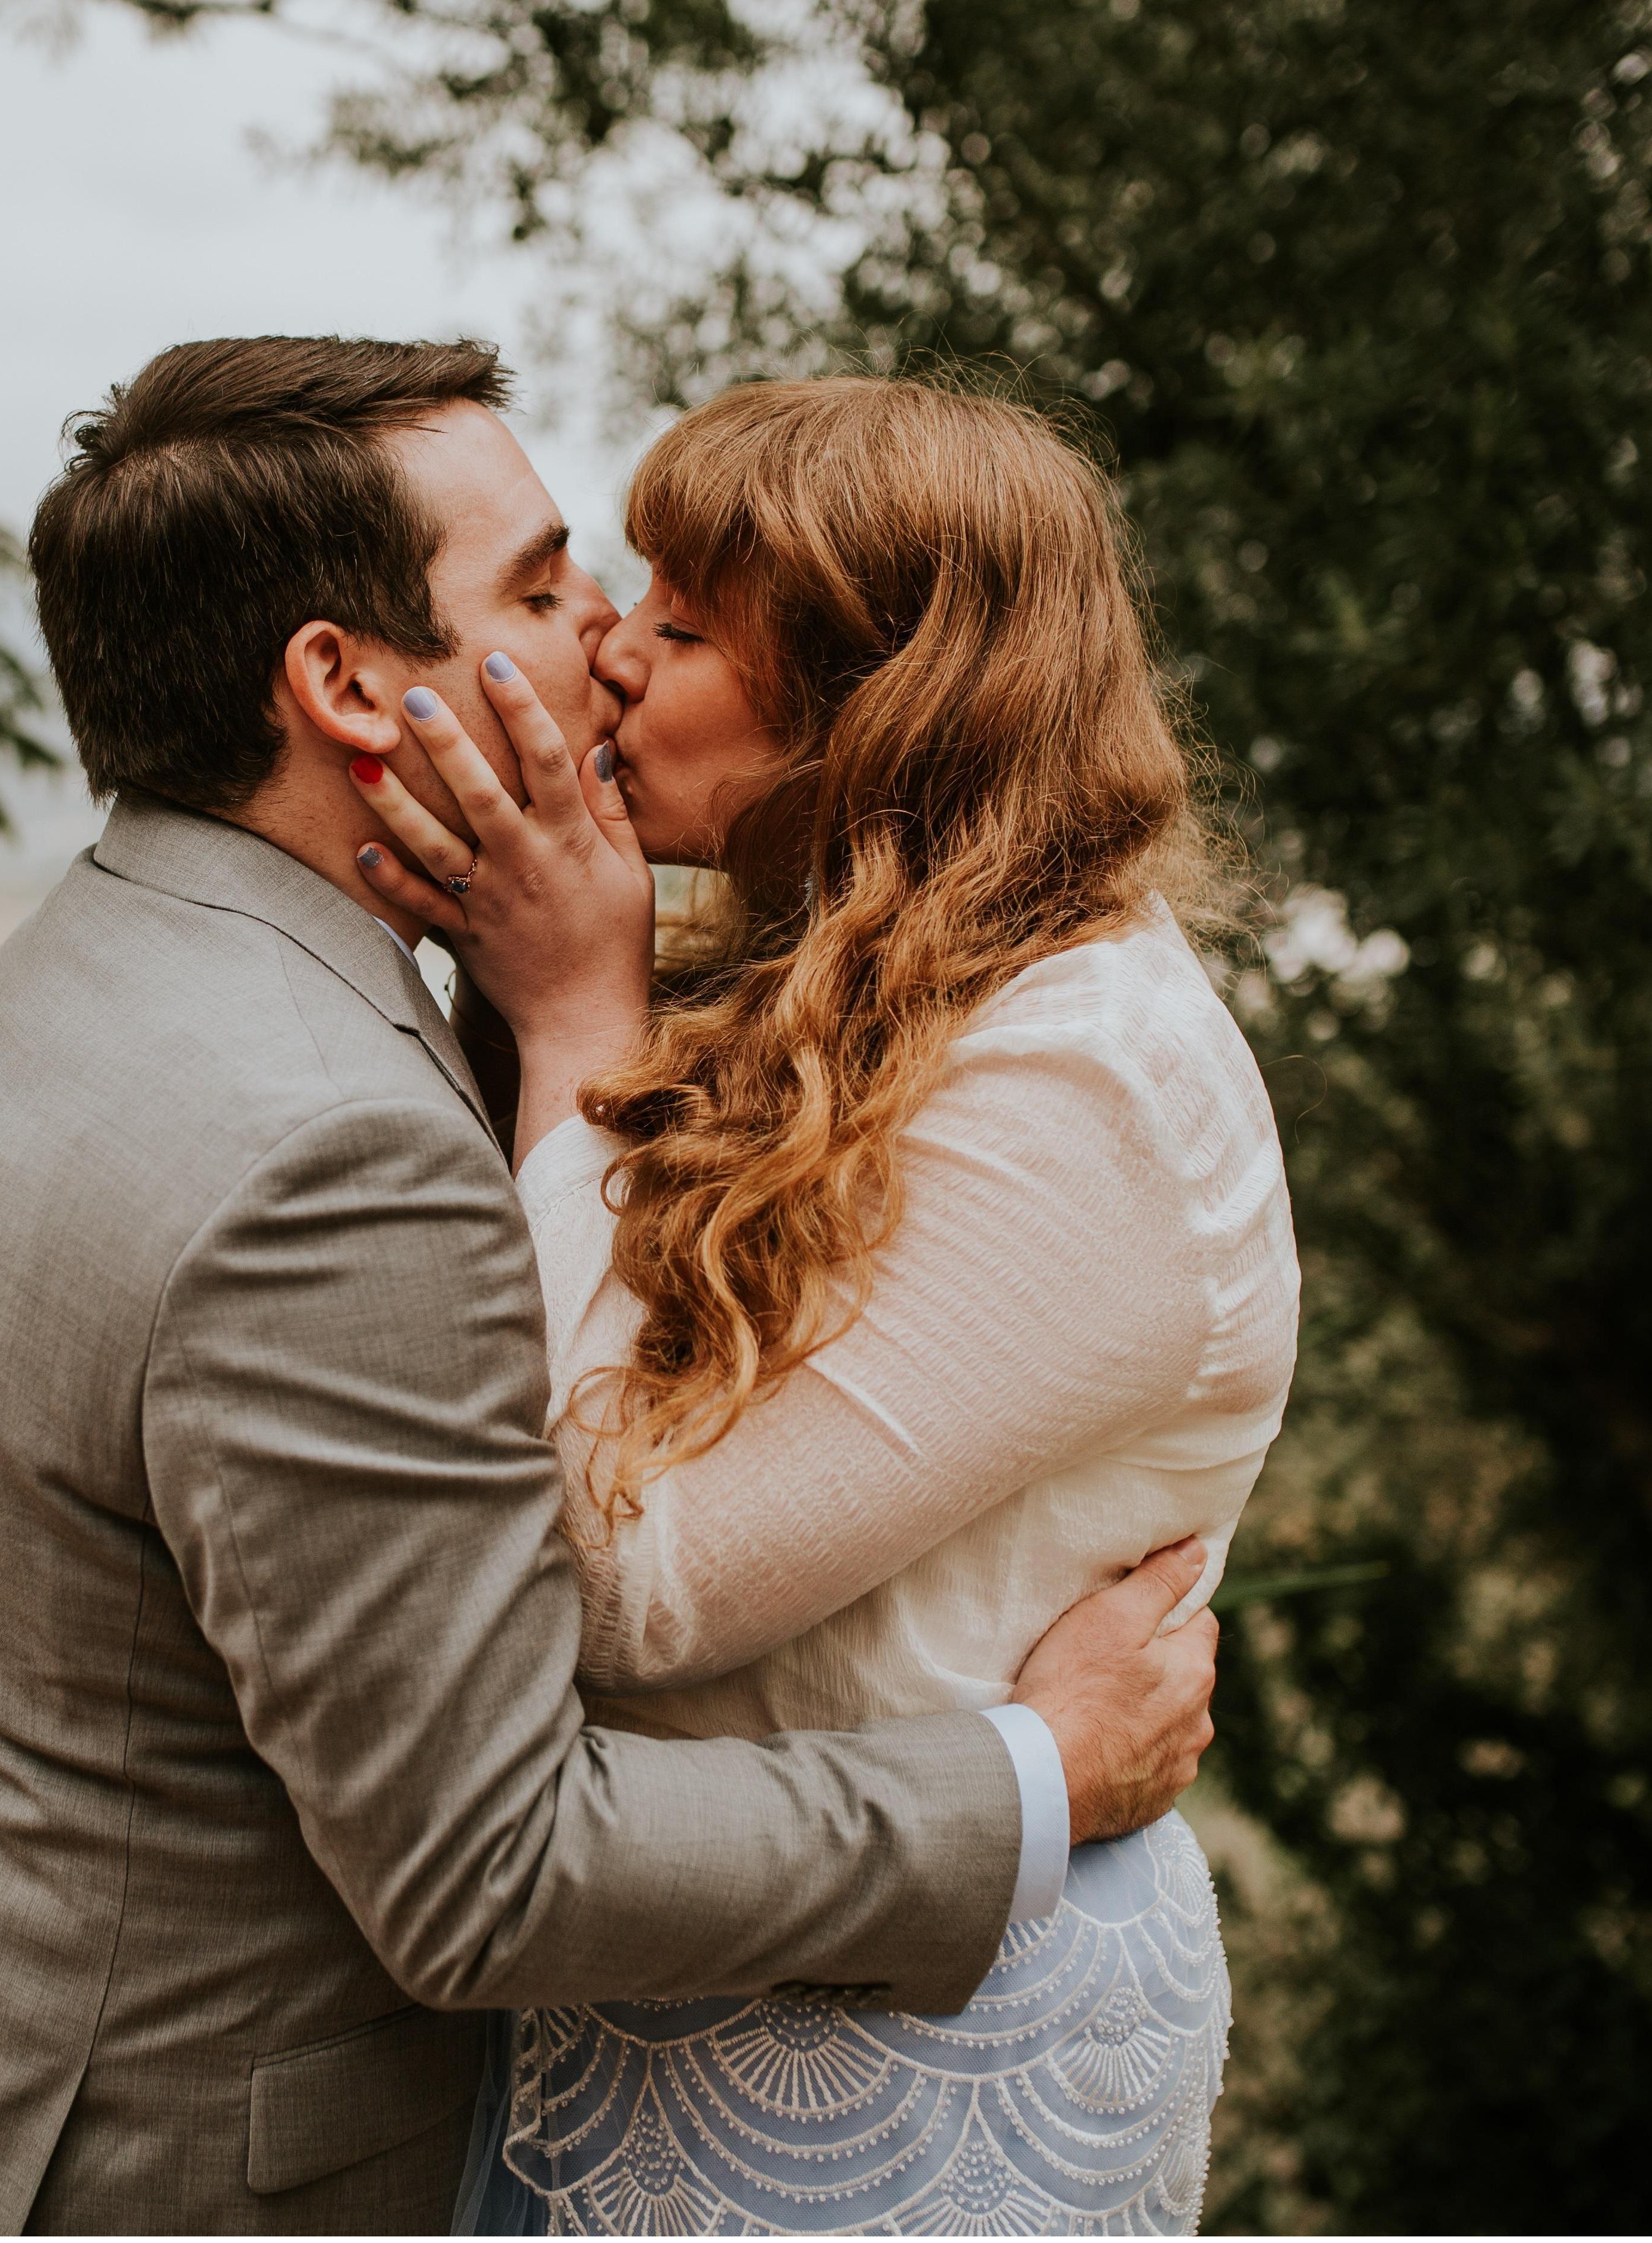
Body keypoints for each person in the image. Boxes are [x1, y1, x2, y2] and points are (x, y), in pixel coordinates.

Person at [0, 338, 1222, 2238]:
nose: (606, 642)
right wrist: (1042, 1768)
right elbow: (491, 1867)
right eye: (543, 588)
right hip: (195, 2166)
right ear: (346, 685)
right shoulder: (325, 1149)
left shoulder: (110, 951)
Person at [347, 373, 1300, 2234]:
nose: (610, 650)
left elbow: (629, 1583)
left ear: (881, 715)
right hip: (705, 1981)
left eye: (687, 624)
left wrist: (576, 1019)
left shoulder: (1086, 1082)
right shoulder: (860, 991)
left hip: (911, 2051)